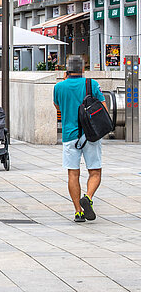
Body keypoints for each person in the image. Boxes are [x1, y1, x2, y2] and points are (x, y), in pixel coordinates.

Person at [54, 55, 106, 223]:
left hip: (70, 136)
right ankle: (88, 198)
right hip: (90, 134)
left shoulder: (59, 87)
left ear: (67, 70)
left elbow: (58, 106)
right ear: (83, 69)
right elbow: (103, 107)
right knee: (95, 171)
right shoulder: (91, 84)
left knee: (73, 174)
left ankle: (77, 211)